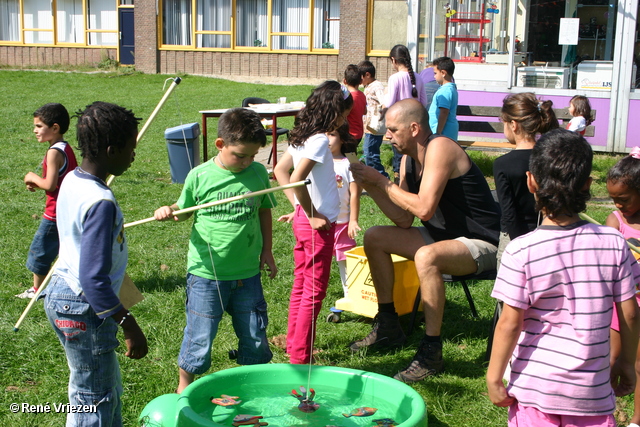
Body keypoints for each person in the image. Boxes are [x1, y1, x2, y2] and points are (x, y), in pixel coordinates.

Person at [487, 129, 640, 427]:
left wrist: (494, 375)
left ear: (531, 181)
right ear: (587, 185)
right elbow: (630, 313)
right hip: (591, 395)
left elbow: (509, 322)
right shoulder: (613, 242)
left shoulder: (520, 251)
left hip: (535, 389)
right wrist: (627, 362)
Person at [349, 99, 501, 383]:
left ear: (415, 128)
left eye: (393, 130)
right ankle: (388, 325)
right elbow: (404, 219)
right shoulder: (408, 160)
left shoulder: (440, 148)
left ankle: (431, 349)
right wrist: (372, 184)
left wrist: (382, 183)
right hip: (444, 237)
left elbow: (423, 209)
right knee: (375, 236)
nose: (387, 136)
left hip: (485, 243)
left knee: (427, 256)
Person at [154, 108, 277, 393]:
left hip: (247, 274)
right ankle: (184, 390)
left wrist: (267, 251)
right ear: (220, 145)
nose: (247, 162)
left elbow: (264, 212)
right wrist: (169, 210)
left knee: (255, 335)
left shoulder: (257, 174)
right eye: (240, 155)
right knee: (200, 337)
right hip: (206, 275)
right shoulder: (199, 176)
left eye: (252, 156)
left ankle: (252, 385)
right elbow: (183, 210)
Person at [44, 101, 147, 426]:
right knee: (94, 398)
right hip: (83, 306)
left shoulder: (72, 179)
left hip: (62, 293)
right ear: (111, 150)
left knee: (101, 386)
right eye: (131, 148)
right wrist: (129, 324)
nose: (133, 155)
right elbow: (93, 279)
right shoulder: (100, 202)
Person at [274, 80, 353, 364]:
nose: (344, 120)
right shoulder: (319, 140)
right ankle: (301, 357)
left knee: (301, 284)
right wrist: (312, 213)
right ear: (333, 111)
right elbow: (294, 178)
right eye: (343, 114)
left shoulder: (302, 136)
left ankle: (294, 346)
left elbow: (279, 170)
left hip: (305, 222)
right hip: (317, 227)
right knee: (314, 291)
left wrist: (297, 207)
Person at [18, 103, 78, 299]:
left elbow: (50, 185)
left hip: (54, 213)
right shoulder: (65, 147)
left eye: (39, 126)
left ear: (55, 128)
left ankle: (38, 291)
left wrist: (31, 177)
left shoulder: (53, 152)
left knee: (40, 251)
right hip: (69, 210)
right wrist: (39, 182)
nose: (35, 131)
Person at [493, 93, 558, 263]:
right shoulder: (551, 158)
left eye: (504, 123)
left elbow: (509, 213)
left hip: (514, 239)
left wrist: (518, 244)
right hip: (548, 234)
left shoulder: (502, 164)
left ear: (513, 125)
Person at [606, 151, 640, 427]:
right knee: (610, 360)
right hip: (620, 306)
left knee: (639, 365)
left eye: (624, 199)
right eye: (614, 199)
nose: (618, 204)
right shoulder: (615, 221)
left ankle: (636, 421)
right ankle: (601, 411)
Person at [328, 122, 361, 302]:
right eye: (324, 134)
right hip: (323, 223)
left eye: (332, 134)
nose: (327, 139)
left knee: (345, 262)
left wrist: (353, 221)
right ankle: (316, 291)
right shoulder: (317, 162)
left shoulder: (350, 163)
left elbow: (355, 194)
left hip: (343, 225)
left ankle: (350, 294)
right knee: (320, 261)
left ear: (342, 138)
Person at [385, 44, 427, 184]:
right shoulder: (418, 78)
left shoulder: (395, 78)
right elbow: (424, 102)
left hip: (399, 125)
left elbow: (389, 102)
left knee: (399, 156)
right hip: (416, 125)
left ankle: (400, 183)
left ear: (394, 60)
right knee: (414, 156)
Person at [358, 60, 389, 179]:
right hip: (369, 126)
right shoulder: (368, 86)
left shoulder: (377, 87)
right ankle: (374, 179)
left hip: (375, 126)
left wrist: (382, 117)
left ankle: (383, 178)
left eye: (361, 77)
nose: (360, 81)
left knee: (370, 153)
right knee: (368, 152)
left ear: (367, 75)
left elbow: (385, 103)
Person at [429, 57, 459, 141]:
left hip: (443, 133)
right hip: (446, 132)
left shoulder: (445, 91)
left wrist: (438, 132)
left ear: (443, 73)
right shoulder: (450, 88)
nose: (434, 76)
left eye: (435, 73)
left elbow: (444, 112)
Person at [343, 64, 367, 144]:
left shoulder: (346, 97)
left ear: (344, 81)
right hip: (359, 133)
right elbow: (364, 111)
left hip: (348, 134)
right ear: (360, 81)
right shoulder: (362, 95)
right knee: (351, 153)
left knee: (345, 155)